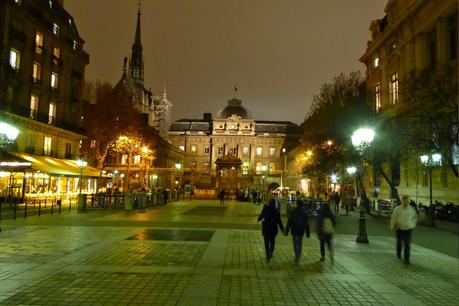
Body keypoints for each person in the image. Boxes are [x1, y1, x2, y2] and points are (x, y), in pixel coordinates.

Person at [390, 195, 418, 264]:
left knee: (407, 244)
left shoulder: (411, 209)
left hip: (408, 229)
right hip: (399, 229)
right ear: (402, 201)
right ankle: (399, 253)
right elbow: (393, 218)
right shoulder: (398, 209)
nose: (405, 202)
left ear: (408, 201)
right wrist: (392, 226)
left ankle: (406, 259)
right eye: (404, 201)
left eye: (407, 201)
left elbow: (414, 218)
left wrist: (412, 225)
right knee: (399, 243)